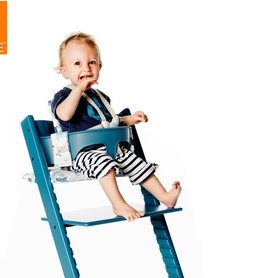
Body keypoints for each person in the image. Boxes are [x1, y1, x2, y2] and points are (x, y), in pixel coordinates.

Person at [51, 32, 181, 222]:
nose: (86, 68)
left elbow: (111, 121)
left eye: (92, 62)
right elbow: (64, 115)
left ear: (99, 67)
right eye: (77, 63)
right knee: (104, 163)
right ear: (64, 71)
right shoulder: (64, 96)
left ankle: (165, 196)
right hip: (83, 152)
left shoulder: (100, 97)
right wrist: (78, 89)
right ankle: (118, 203)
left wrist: (130, 119)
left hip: (111, 148)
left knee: (136, 162)